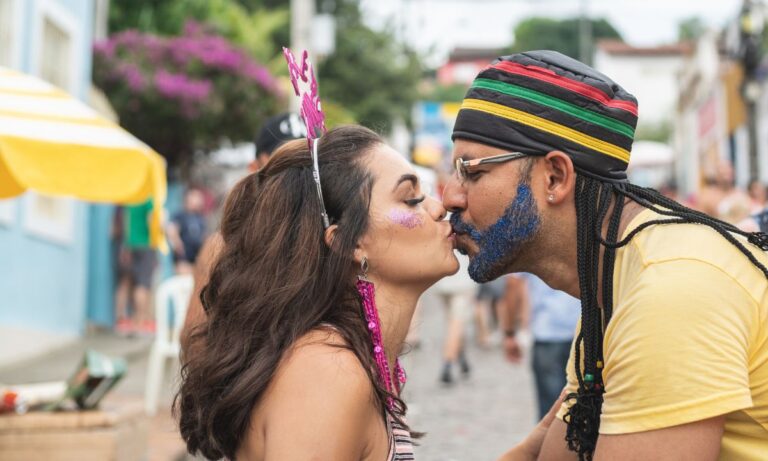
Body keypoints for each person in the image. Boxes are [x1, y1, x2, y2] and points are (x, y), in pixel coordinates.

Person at [443, 51, 768, 460]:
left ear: (556, 177)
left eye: (472, 172)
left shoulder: (670, 291)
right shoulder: (614, 287)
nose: (449, 197)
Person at [177, 126, 460, 460]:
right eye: (411, 198)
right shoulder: (327, 371)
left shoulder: (343, 360)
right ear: (349, 242)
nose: (439, 208)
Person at [181, 112, 305, 353]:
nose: (298, 177)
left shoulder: (336, 244)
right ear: (254, 168)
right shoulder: (225, 245)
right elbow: (194, 340)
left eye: (309, 163)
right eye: (285, 165)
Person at [501, 274, 580, 419]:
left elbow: (513, 283)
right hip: (582, 329)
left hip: (547, 330)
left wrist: (509, 332)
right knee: (583, 404)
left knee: (551, 411)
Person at [114, 199, 157, 335]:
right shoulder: (149, 198)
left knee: (126, 281)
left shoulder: (131, 197)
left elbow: (125, 220)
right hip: (145, 244)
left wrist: (126, 244)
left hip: (129, 244)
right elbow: (152, 221)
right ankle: (140, 321)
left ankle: (121, 319)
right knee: (143, 284)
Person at [168, 187, 208, 274]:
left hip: (197, 259)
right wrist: (176, 242)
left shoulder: (200, 217)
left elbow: (204, 236)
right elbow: (172, 229)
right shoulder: (180, 215)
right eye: (195, 196)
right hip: (183, 260)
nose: (199, 199)